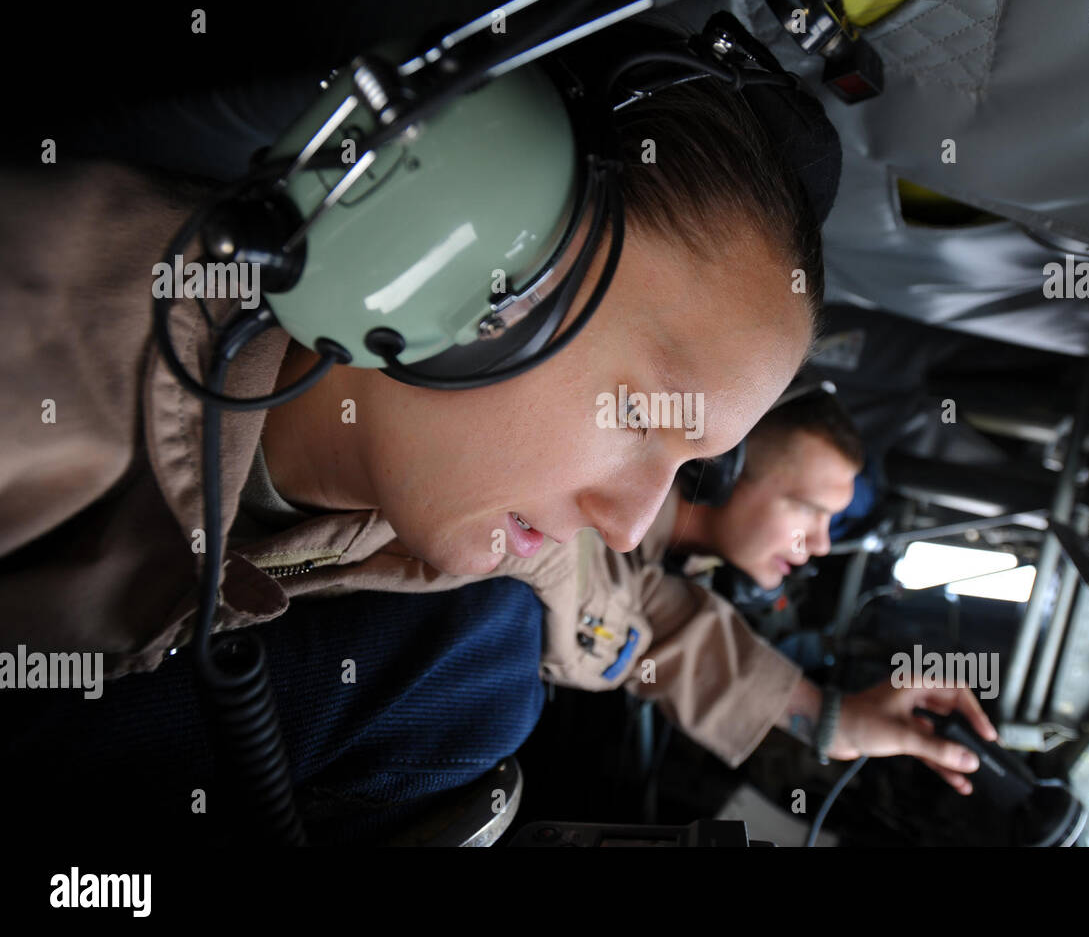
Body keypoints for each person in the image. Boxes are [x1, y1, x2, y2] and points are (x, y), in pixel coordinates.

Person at [0, 36, 830, 680]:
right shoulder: (37, 341)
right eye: (640, 416)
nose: (626, 525)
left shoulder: (468, 493)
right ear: (448, 242)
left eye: (688, 466)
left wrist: (821, 714)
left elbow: (609, 599)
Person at [511, 388, 999, 796]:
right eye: (808, 509)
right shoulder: (581, 499)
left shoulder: (651, 557)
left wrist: (833, 718)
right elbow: (607, 608)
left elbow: (667, 628)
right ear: (721, 464)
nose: (823, 543)